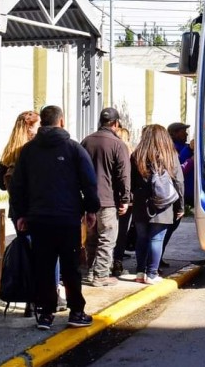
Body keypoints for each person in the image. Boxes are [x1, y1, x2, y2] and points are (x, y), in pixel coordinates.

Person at [9, 105, 100, 330]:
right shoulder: (74, 149)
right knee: (71, 267)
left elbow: (18, 186)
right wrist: (91, 210)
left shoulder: (29, 151)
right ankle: (76, 311)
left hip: (38, 219)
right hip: (67, 219)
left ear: (42, 123)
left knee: (44, 266)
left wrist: (21, 214)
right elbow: (89, 183)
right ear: (61, 121)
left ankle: (46, 313)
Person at [0, 111, 51, 317]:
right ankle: (41, 298)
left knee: (26, 256)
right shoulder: (34, 150)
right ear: (29, 128)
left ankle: (29, 301)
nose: (40, 128)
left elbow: (2, 185)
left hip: (16, 211)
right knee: (42, 256)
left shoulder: (9, 152)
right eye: (38, 125)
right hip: (36, 211)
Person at [80, 107, 131, 286]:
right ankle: (101, 274)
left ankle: (91, 272)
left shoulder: (86, 141)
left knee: (92, 239)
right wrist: (125, 199)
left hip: (88, 200)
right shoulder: (118, 144)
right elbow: (123, 175)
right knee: (107, 239)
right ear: (116, 124)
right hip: (108, 200)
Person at [130, 124, 184, 285]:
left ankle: (140, 272)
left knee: (141, 238)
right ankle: (152, 273)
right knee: (157, 239)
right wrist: (180, 206)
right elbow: (179, 181)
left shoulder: (136, 155)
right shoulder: (170, 155)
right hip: (163, 204)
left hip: (141, 203)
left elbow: (130, 181)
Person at [161, 122, 192, 268]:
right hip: (173, 194)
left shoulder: (182, 147)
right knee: (168, 226)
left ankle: (158, 256)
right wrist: (189, 152)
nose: (186, 134)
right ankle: (156, 258)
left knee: (172, 226)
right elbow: (178, 168)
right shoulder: (172, 148)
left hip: (184, 193)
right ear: (174, 133)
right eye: (183, 131)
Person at [112, 126, 134, 277]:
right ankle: (117, 261)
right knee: (121, 232)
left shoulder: (112, 149)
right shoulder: (129, 153)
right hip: (127, 198)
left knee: (108, 232)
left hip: (110, 196)